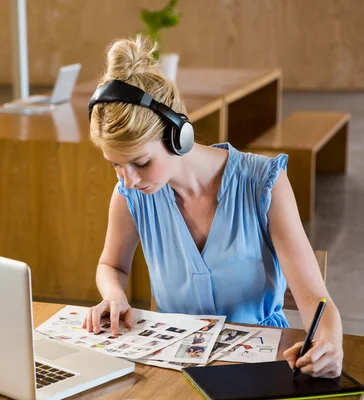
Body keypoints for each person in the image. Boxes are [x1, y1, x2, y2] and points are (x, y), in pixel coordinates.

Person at [81, 35, 343, 378]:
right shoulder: (130, 196)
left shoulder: (263, 183)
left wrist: (328, 343)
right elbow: (111, 265)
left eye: (141, 163)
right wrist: (114, 295)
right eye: (115, 165)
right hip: (175, 367)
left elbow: (314, 298)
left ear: (178, 136)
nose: (128, 179)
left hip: (259, 364)